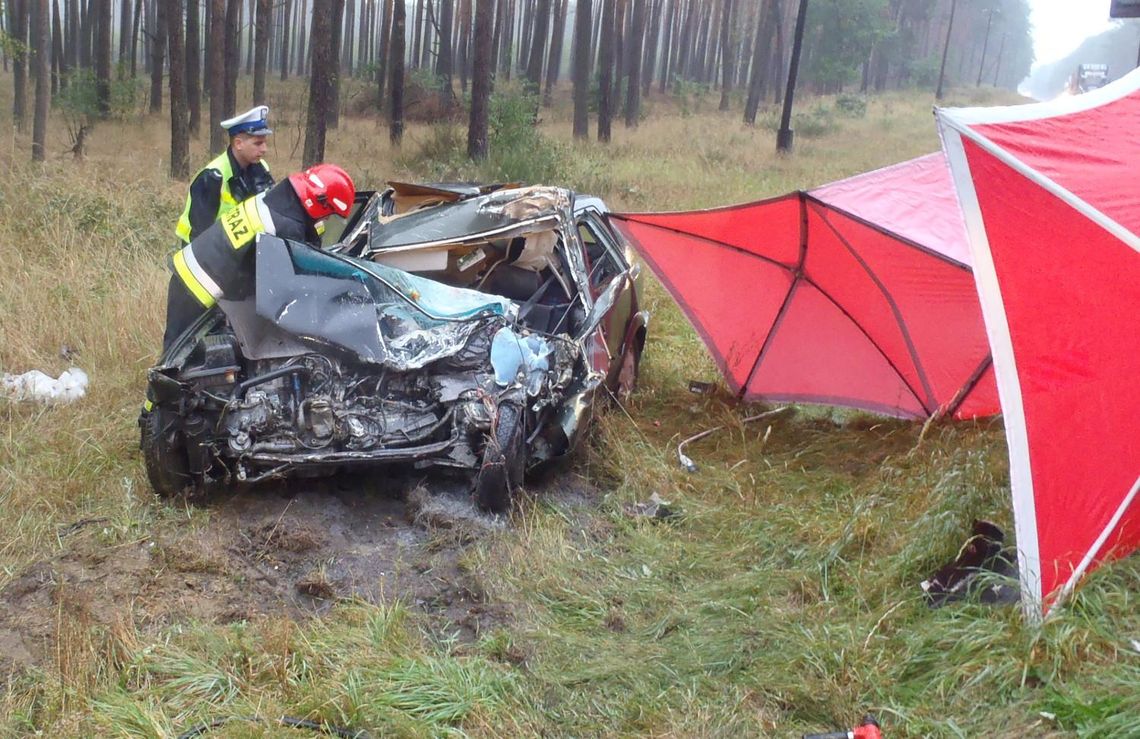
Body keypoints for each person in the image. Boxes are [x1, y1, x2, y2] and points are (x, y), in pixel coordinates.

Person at [163, 163, 356, 350]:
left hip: (200, 272)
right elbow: (281, 288)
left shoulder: (281, 198)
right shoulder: (284, 224)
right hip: (196, 283)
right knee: (176, 363)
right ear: (319, 202)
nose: (328, 219)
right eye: (330, 213)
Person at [174, 105, 276, 244]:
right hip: (203, 252)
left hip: (237, 248)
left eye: (265, 143)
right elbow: (200, 235)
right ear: (238, 144)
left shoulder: (262, 167)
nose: (264, 149)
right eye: (258, 143)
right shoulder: (212, 176)